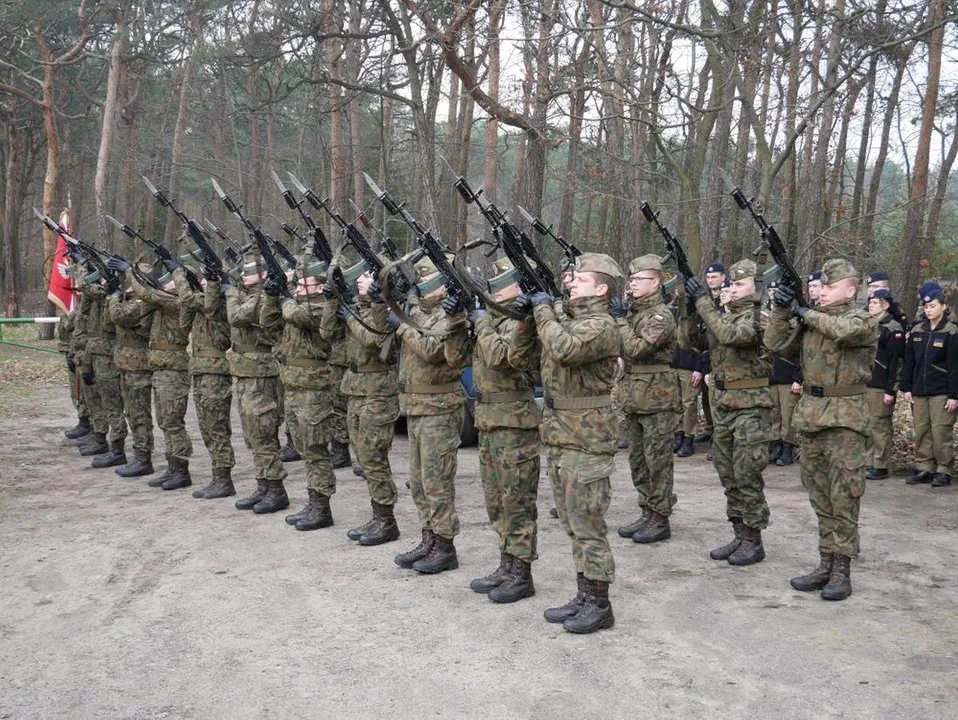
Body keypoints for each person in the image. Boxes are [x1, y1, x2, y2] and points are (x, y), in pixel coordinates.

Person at [512, 252, 622, 634]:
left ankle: (600, 603)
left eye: (581, 279)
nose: (571, 282)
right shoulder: (567, 320)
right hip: (560, 435)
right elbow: (522, 356)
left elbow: (564, 348)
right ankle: (584, 593)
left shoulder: (602, 325)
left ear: (602, 287)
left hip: (587, 439)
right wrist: (532, 315)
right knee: (573, 524)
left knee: (588, 523)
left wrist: (544, 310)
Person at [768, 259, 878, 601]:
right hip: (813, 416)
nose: (824, 292)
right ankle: (826, 560)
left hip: (845, 419)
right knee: (819, 494)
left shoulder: (861, 319)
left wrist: (804, 311)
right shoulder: (814, 320)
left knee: (844, 495)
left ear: (851, 289)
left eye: (831, 287)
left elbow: (843, 331)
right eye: (822, 287)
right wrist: (781, 311)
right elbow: (776, 345)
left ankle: (842, 568)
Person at [684, 260, 772, 567]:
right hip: (723, 403)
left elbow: (733, 337)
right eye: (729, 284)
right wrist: (690, 309)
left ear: (756, 287)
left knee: (747, 472)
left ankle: (754, 538)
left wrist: (704, 304)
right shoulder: (724, 315)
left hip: (750, 405)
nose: (730, 289)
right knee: (727, 472)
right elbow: (691, 341)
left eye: (738, 284)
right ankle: (740, 532)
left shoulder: (760, 317)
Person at [389, 258, 473, 574]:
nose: (424, 286)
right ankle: (429, 538)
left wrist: (400, 324)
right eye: (421, 280)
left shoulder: (450, 316)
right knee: (419, 481)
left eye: (430, 280)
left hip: (440, 408)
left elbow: (433, 348)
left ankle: (445, 545)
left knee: (437, 483)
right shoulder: (420, 310)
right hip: (416, 407)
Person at [467, 259, 541, 603]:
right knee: (495, 499)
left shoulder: (521, 321)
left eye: (502, 283)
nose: (493, 287)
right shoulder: (497, 318)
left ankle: (522, 572)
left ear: (519, 287)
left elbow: (501, 357)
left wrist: (481, 321)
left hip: (514, 422)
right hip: (489, 418)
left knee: (517, 500)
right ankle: (507, 562)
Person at [262, 261, 338, 529]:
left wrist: (284, 298)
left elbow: (299, 316)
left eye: (303, 284)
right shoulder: (294, 304)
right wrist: (272, 297)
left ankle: (321, 506)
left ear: (319, 286)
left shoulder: (321, 307)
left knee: (316, 449)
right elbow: (267, 322)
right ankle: (313, 500)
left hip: (313, 391)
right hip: (294, 388)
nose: (297, 289)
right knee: (305, 449)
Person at [614, 255, 679, 544]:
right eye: (632, 279)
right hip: (635, 395)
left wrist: (619, 321)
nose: (632, 285)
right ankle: (647, 510)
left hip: (656, 398)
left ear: (656, 281)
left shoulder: (660, 316)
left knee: (658, 461)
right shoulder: (634, 313)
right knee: (638, 460)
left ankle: (661, 516)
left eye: (638, 279)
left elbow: (638, 348)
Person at [222, 253, 289, 512]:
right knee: (252, 435)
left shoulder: (264, 299)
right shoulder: (250, 295)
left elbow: (237, 317)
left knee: (263, 434)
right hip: (246, 374)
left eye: (247, 272)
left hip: (260, 376)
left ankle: (275, 488)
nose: (242, 275)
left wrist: (229, 293)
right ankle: (262, 485)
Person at [340, 269, 401, 546]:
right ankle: (378, 514)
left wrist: (376, 303)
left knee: (373, 455)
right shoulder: (358, 307)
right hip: (355, 388)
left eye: (366, 276)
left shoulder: (386, 308)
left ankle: (386, 520)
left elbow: (375, 338)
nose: (359, 280)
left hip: (378, 390)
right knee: (363, 456)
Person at [125, 259, 194, 490]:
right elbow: (144, 319)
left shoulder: (177, 302)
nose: (166, 285)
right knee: (165, 420)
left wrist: (129, 272)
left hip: (174, 370)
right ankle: (172, 466)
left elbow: (149, 295)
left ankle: (181, 470)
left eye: (171, 281)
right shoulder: (162, 305)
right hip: (161, 368)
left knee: (173, 422)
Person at [173, 264, 236, 498]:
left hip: (214, 372)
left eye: (206, 278)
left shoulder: (218, 301)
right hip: (200, 370)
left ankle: (224, 479)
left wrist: (178, 275)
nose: (202, 282)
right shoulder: (200, 302)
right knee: (207, 427)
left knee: (217, 427)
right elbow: (183, 322)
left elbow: (204, 305)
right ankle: (218, 477)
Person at [901, 282, 958, 488]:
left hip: (942, 391)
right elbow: (909, 363)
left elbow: (954, 366)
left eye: (932, 306)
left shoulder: (951, 331)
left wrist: (954, 395)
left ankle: (943, 469)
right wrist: (906, 387)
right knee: (922, 429)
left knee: (940, 430)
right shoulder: (917, 331)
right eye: (926, 307)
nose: (929, 310)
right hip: (919, 390)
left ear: (943, 305)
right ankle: (925, 466)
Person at [107, 278, 156, 477]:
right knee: (130, 411)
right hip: (126, 363)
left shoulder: (142, 303)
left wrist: (114, 297)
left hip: (138, 365)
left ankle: (143, 458)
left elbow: (119, 316)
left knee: (139, 413)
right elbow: (109, 318)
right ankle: (138, 455)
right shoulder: (131, 300)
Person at [864, 289, 905, 480]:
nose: (870, 305)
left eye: (875, 302)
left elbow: (896, 361)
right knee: (868, 425)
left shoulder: (892, 328)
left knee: (879, 425)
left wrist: (891, 389)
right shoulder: (868, 324)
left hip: (881, 385)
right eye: (870, 302)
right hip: (867, 383)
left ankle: (880, 465)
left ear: (885, 305)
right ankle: (869, 461)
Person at [766, 282, 802, 467]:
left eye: (776, 291)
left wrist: (798, 377)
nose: (772, 294)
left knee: (788, 414)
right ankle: (776, 443)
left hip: (788, 375)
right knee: (775, 414)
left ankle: (788, 446)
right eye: (770, 291)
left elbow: (799, 351)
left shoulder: (792, 319)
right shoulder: (766, 316)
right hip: (772, 375)